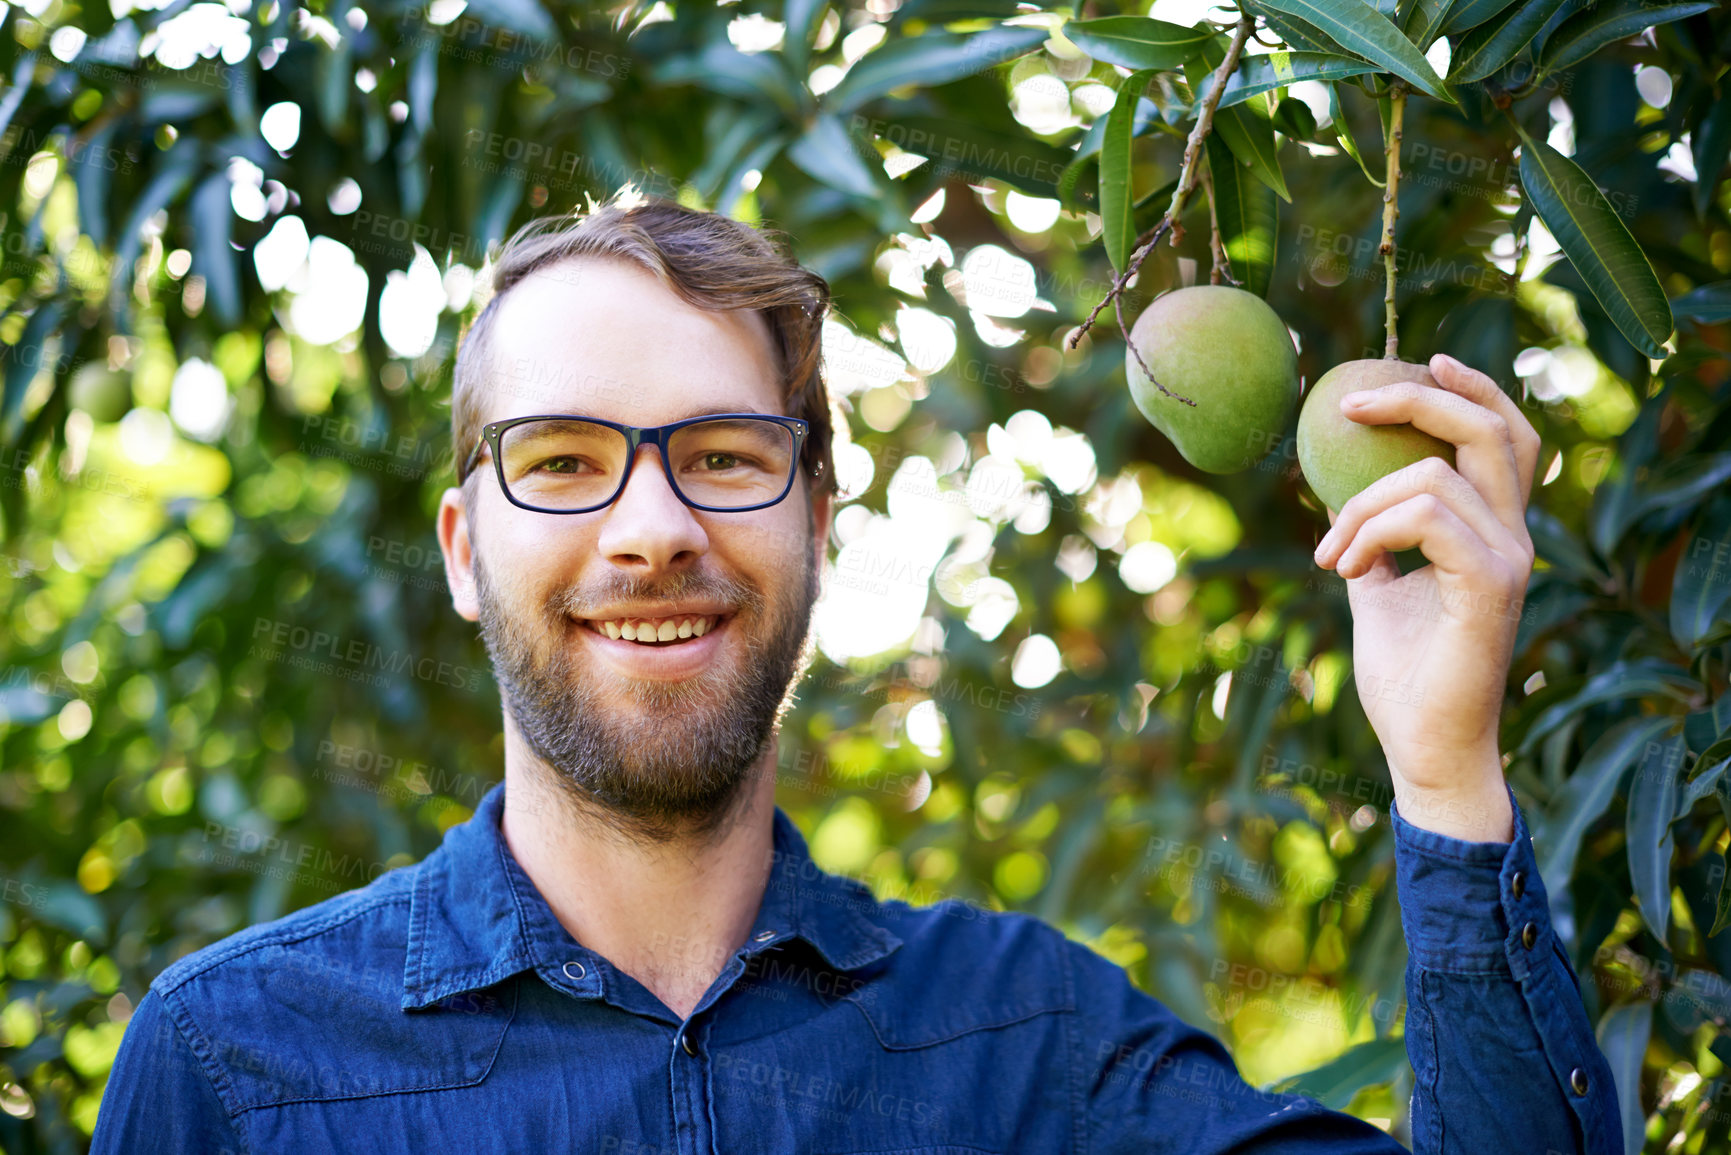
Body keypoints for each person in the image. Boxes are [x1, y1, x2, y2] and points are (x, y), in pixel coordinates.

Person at [92, 192, 1618, 1154]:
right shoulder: (239, 1068)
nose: (651, 530)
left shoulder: (1034, 1054)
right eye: (560, 460)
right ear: (461, 546)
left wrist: (1443, 772)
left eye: (722, 457)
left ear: (821, 523)